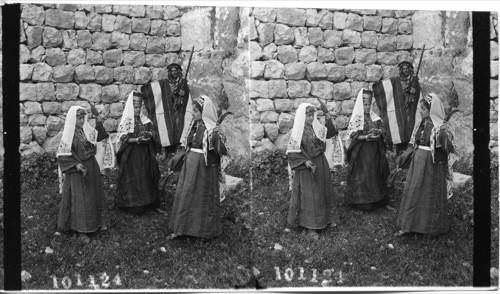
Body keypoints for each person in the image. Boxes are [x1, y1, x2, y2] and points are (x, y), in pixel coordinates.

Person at [168, 95, 227, 240]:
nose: (193, 114)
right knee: (187, 192)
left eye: (195, 111)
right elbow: (186, 144)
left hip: (204, 166)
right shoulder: (193, 126)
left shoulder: (212, 130)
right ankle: (181, 228)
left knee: (202, 195)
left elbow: (222, 151)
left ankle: (203, 231)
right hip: (190, 164)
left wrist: (219, 136)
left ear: (204, 112)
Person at [396, 93, 455, 236]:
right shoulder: (421, 124)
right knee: (414, 189)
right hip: (418, 161)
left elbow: (450, 148)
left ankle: (431, 228)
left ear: (431, 110)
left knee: (430, 192)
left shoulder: (440, 127)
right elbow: (414, 142)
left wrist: (444, 134)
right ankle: (409, 225)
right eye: (420, 108)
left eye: (423, 109)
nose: (420, 111)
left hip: (432, 164)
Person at [56, 106, 110, 242]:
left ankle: (97, 222)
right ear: (72, 119)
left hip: (91, 167)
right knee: (81, 200)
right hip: (77, 171)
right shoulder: (69, 135)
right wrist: (75, 165)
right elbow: (62, 155)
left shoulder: (87, 131)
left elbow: (101, 137)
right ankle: (81, 230)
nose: (81, 121)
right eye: (79, 118)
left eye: (83, 118)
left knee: (93, 195)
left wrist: (98, 122)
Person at [286, 103, 339, 240]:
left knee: (322, 191)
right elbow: (292, 152)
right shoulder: (298, 132)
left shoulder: (317, 128)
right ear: (302, 116)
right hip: (307, 167)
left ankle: (326, 218)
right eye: (308, 115)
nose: (311, 118)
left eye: (312, 115)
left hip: (320, 163)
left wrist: (328, 119)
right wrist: (305, 162)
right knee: (311, 195)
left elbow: (331, 134)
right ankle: (310, 226)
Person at [115, 91, 161, 214]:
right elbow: (123, 139)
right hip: (132, 156)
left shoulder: (144, 120)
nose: (137, 109)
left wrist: (150, 134)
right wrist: (136, 140)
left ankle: (149, 201)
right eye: (135, 107)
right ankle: (133, 204)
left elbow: (153, 131)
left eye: (139, 107)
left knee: (145, 176)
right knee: (134, 178)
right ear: (130, 106)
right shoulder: (126, 122)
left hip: (145, 155)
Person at [346, 89, 390, 210]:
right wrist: (366, 137)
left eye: (369, 104)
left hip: (375, 152)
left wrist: (380, 131)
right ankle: (363, 201)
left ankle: (377, 198)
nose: (367, 107)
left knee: (375, 173)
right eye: (364, 104)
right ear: (361, 104)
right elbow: (353, 135)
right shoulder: (357, 119)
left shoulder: (375, 118)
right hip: (362, 153)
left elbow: (383, 129)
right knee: (364, 175)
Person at [141, 62, 193, 158]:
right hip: (168, 109)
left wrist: (183, 94)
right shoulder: (165, 83)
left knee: (178, 128)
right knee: (165, 127)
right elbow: (160, 93)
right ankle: (164, 149)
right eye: (172, 71)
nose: (174, 73)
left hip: (178, 109)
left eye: (176, 71)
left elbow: (187, 97)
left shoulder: (183, 82)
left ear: (178, 71)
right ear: (169, 72)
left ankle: (178, 148)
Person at [372, 61, 421, 154]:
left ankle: (409, 149)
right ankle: (399, 149)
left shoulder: (414, 80)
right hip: (401, 108)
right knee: (400, 127)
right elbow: (393, 91)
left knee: (409, 127)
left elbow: (418, 94)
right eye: (404, 69)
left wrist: (415, 92)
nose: (406, 71)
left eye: (407, 68)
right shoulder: (397, 81)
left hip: (410, 109)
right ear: (401, 70)